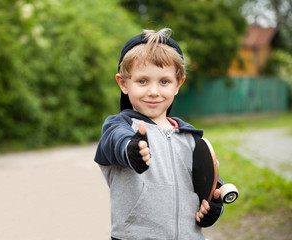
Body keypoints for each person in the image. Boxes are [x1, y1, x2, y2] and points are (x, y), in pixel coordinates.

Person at [94, 28, 223, 240]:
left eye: (164, 81)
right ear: (123, 83)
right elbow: (116, 143)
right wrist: (131, 150)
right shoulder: (119, 127)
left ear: (178, 84)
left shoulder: (190, 138)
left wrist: (213, 208)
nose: (153, 91)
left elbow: (211, 185)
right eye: (142, 81)